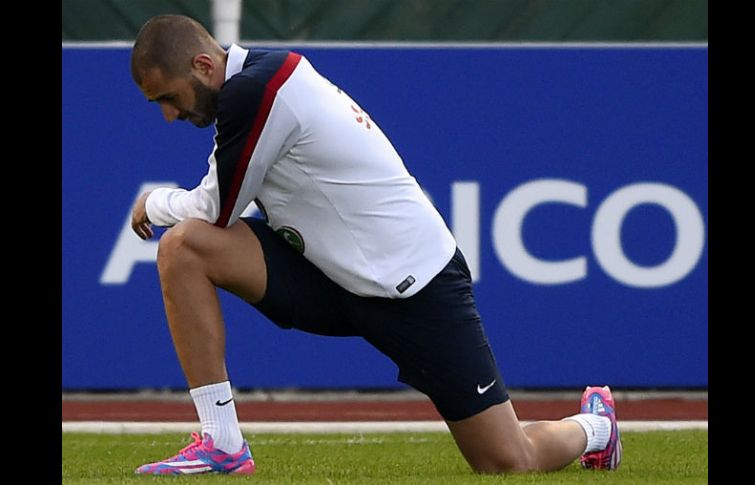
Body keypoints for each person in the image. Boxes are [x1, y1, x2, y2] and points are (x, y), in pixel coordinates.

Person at [128, 14, 622, 476]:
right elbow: (214, 216)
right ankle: (223, 443)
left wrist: (153, 203)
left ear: (203, 65)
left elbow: (217, 208)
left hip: (416, 288)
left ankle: (595, 428)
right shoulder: (255, 82)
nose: (170, 116)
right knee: (184, 248)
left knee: (507, 460)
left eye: (168, 98)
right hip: (330, 276)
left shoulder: (257, 89)